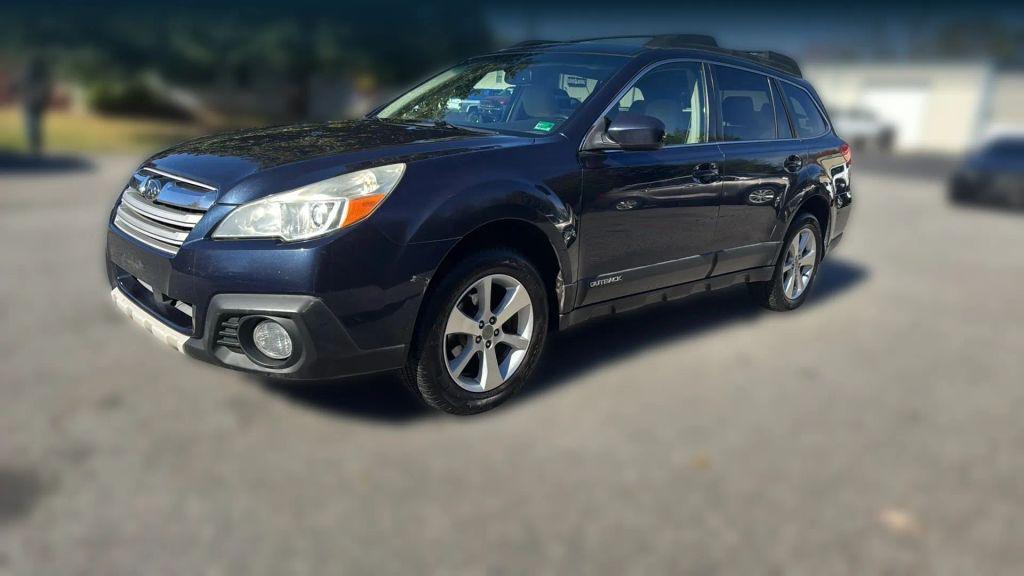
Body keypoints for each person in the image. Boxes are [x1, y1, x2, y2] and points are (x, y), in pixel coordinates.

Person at [21, 56, 52, 157]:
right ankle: (35, 146)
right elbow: (46, 90)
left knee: (33, 124)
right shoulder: (40, 77)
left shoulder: (29, 76)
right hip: (35, 103)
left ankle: (34, 146)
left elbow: (45, 90)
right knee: (35, 125)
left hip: (32, 103)